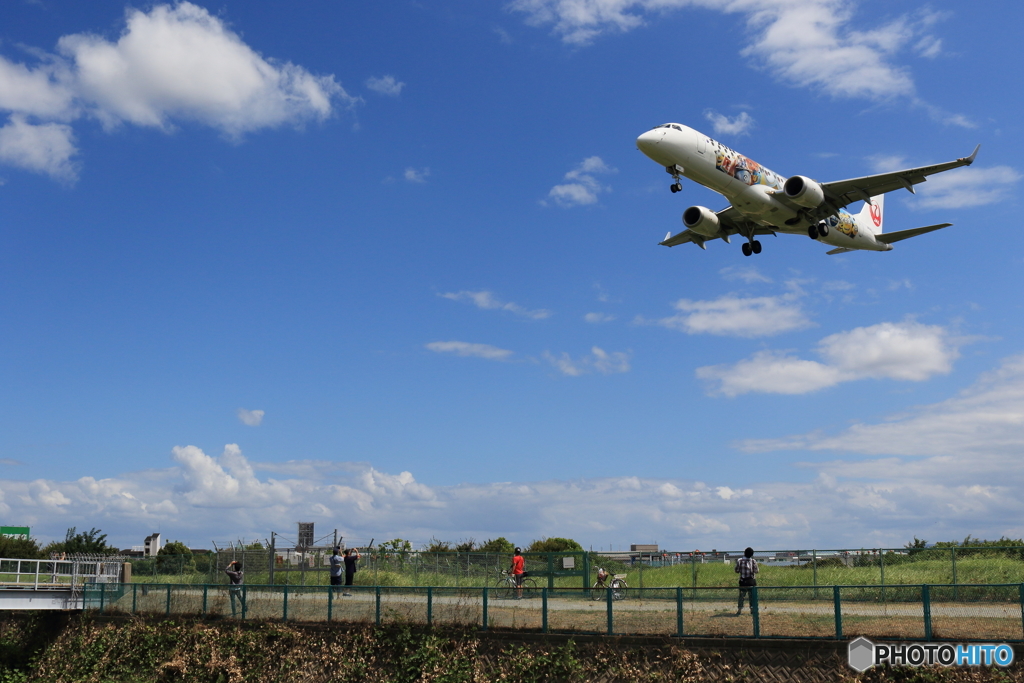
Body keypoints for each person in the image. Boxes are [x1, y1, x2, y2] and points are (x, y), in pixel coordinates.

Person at [735, 547, 758, 615]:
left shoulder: (739, 560)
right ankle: (752, 609)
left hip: (743, 581)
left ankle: (739, 609)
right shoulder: (753, 561)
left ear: (744, 553)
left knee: (741, 596)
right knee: (752, 596)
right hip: (751, 581)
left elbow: (736, 570)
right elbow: (756, 571)